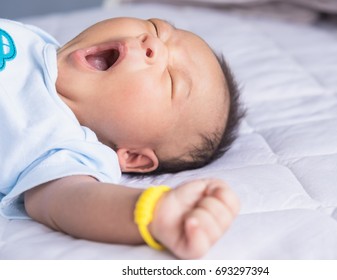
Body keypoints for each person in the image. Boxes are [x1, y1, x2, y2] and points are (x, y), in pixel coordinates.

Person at [0, 17, 243, 259]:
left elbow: (73, 201)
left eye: (171, 81)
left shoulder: (67, 148)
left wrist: (154, 212)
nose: (154, 44)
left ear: (134, 156)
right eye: (157, 29)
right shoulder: (37, 41)